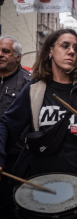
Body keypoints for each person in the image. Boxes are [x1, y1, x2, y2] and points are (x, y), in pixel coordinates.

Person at [0, 29, 77, 219]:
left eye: (76, 48)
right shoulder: (34, 90)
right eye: (65, 46)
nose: (72, 51)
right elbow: (6, 125)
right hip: (40, 183)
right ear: (50, 51)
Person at [0, 35, 32, 219]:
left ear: (18, 57)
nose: (1, 55)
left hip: (15, 160)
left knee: (11, 206)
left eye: (6, 51)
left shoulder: (29, 84)